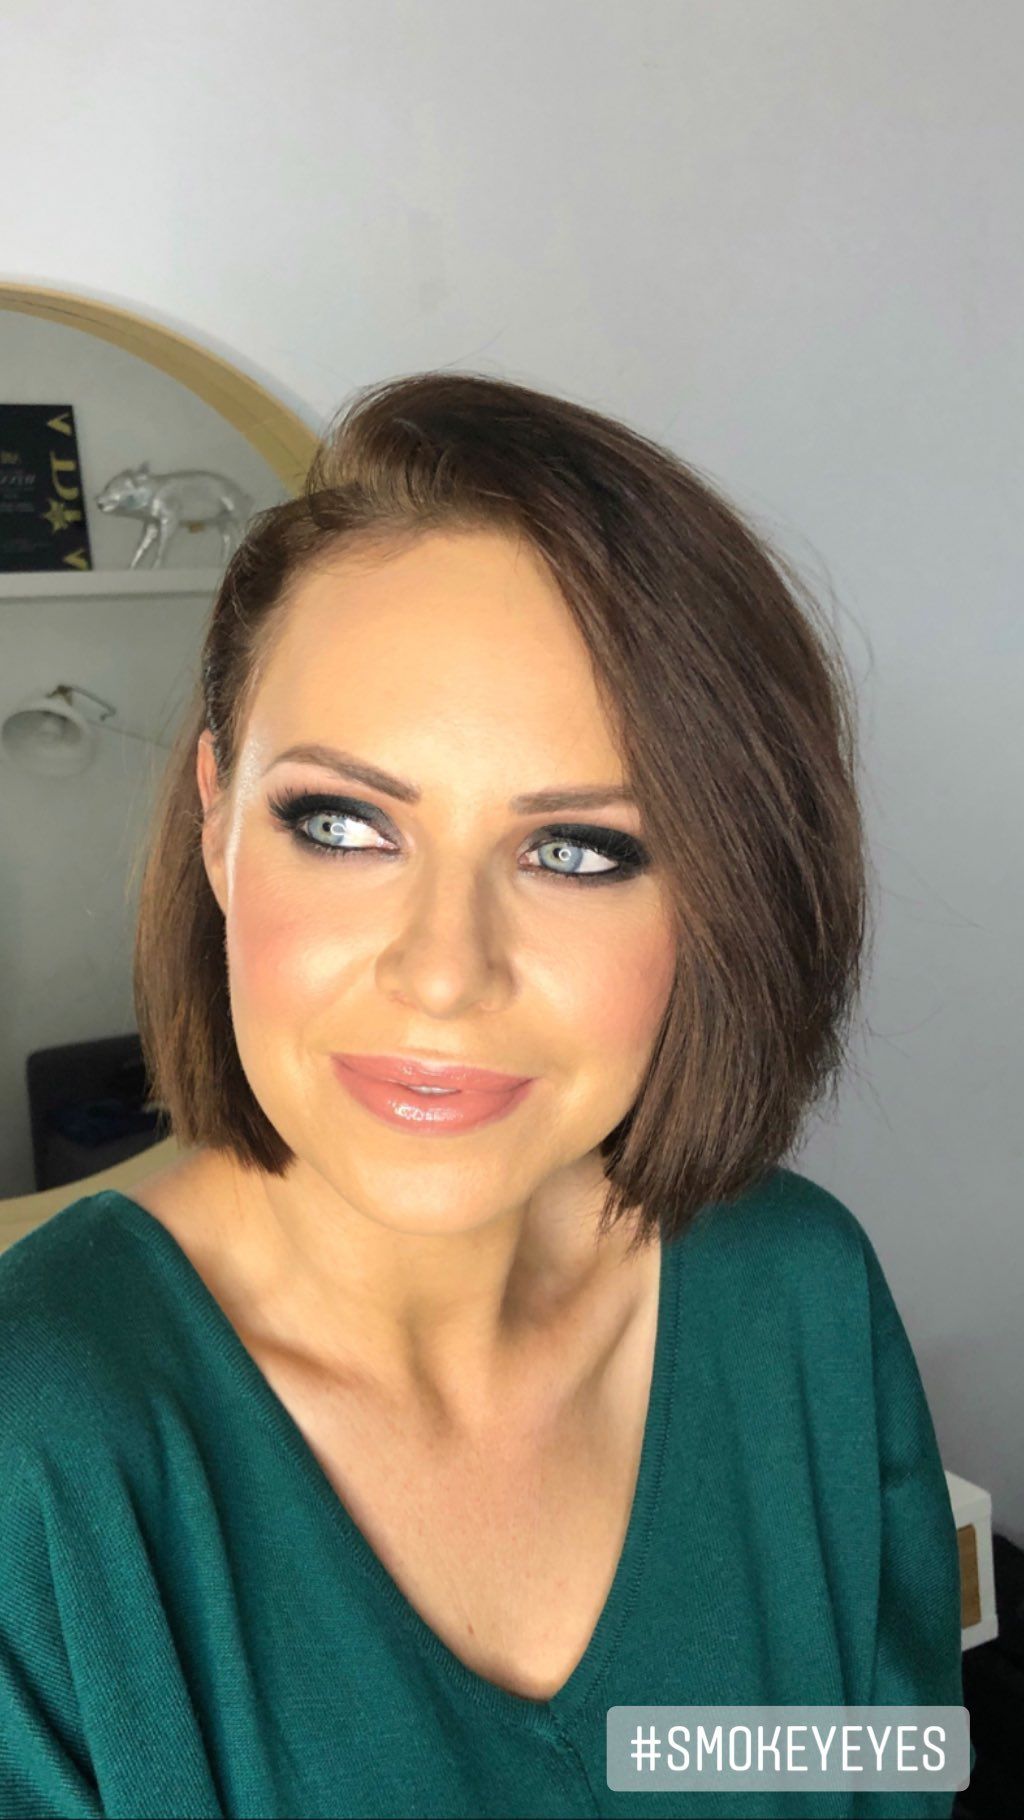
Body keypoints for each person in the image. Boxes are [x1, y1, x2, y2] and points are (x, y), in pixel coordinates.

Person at [0, 373, 967, 1819]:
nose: (444, 973)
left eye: (576, 849)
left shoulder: (798, 1296)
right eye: (343, 825)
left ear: (722, 896)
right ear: (216, 825)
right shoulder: (37, 1453)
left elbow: (885, 1774)